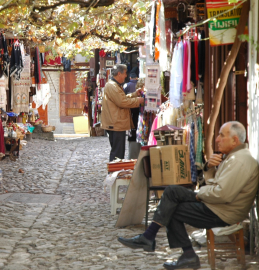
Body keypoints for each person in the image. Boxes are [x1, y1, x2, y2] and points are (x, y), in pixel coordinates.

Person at [117, 121, 259, 269]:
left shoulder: (240, 160)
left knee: (170, 207)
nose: (217, 139)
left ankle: (173, 248)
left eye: (221, 136)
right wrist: (209, 168)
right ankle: (154, 239)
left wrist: (199, 195)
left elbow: (222, 194)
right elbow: (214, 185)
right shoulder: (233, 157)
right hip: (218, 206)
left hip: (223, 212)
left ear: (234, 140)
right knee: (171, 193)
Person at [101, 64, 144, 161]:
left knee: (118, 152)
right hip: (115, 124)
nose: (126, 76)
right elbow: (122, 102)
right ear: (119, 74)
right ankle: (114, 174)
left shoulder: (114, 85)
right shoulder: (113, 86)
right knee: (117, 153)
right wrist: (138, 100)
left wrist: (133, 95)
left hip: (116, 123)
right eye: (124, 73)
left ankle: (115, 173)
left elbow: (121, 98)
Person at [125, 78, 144, 159]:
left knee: (135, 155)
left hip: (137, 131)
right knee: (134, 156)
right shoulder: (135, 99)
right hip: (134, 131)